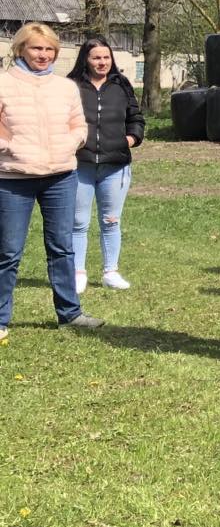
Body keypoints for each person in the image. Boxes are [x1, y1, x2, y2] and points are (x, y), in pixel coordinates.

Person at [0, 22, 104, 342]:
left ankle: (70, 313)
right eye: (36, 48)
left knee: (62, 247)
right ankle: (1, 319)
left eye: (48, 49)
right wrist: (10, 147)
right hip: (13, 177)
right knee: (8, 251)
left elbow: (78, 126)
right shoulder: (3, 83)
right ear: (21, 49)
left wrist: (70, 144)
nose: (43, 55)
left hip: (60, 176)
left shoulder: (66, 87)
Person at [68, 37, 145, 293]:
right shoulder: (72, 85)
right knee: (78, 222)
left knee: (111, 220)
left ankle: (110, 271)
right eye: (96, 58)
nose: (102, 62)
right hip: (81, 164)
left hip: (115, 165)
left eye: (106, 57)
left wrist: (131, 139)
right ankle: (78, 272)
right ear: (85, 60)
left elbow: (136, 118)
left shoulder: (121, 85)